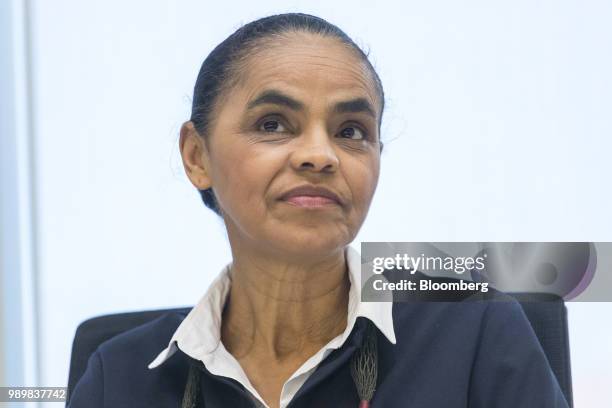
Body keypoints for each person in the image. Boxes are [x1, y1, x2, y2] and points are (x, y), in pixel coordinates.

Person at [67, 13, 570, 408]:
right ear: (197, 157)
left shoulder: (476, 333)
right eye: (272, 124)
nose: (320, 155)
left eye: (351, 131)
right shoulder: (121, 377)